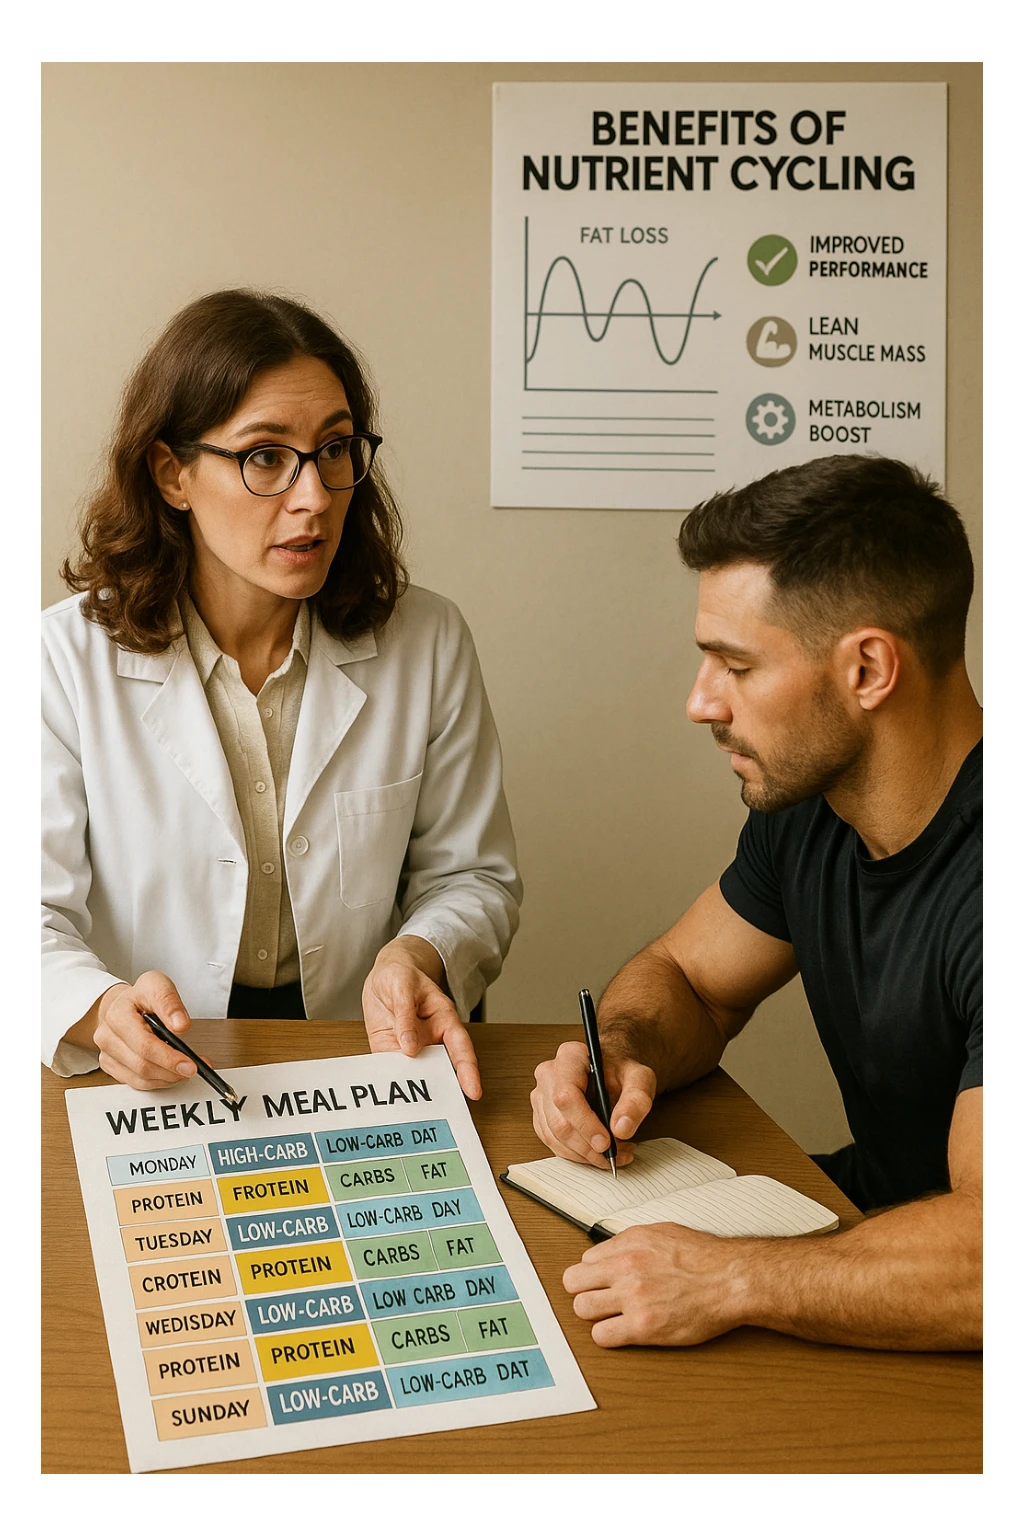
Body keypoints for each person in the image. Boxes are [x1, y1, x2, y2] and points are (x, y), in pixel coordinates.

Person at [531, 455, 981, 1352]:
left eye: (734, 665)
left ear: (867, 669)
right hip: (868, 1232)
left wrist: (731, 1275)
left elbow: (994, 1254)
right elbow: (694, 983)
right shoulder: (815, 813)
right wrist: (621, 1052)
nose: (700, 702)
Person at [43, 288, 521, 1098]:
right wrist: (98, 1011)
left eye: (335, 450)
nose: (314, 496)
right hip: (148, 1074)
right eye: (266, 456)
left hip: (363, 1054)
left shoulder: (427, 641)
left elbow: (472, 877)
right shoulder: (61, 658)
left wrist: (418, 954)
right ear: (172, 474)